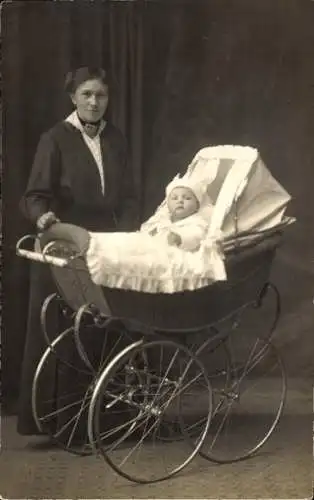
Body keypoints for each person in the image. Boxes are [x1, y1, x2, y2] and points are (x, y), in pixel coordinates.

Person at [17, 66, 139, 436]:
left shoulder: (116, 138)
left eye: (100, 95)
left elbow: (130, 195)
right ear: (72, 97)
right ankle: (63, 423)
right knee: (68, 330)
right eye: (86, 94)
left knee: (104, 327)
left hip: (105, 245)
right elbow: (34, 195)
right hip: (65, 242)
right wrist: (42, 218)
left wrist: (129, 234)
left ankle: (107, 421)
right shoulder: (54, 138)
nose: (93, 102)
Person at [146, 177, 213, 252]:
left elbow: (197, 236)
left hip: (181, 255)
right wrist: (153, 232)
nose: (180, 201)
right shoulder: (163, 219)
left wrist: (180, 239)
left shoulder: (196, 222)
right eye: (174, 198)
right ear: (168, 205)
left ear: (197, 205)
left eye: (187, 198)